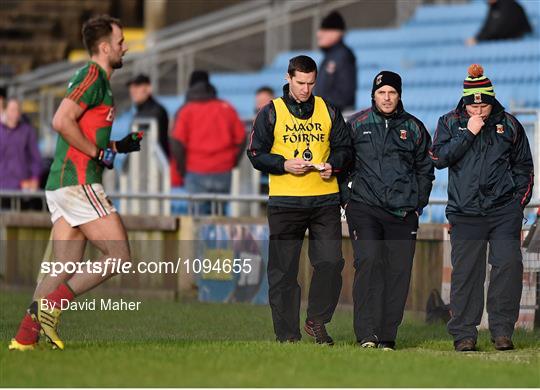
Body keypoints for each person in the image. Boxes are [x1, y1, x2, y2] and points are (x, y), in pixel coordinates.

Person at [8, 15, 143, 351]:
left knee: (63, 267)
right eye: (120, 41)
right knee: (119, 255)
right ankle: (52, 307)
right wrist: (99, 153)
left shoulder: (99, 81)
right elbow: (60, 120)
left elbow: (78, 136)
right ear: (104, 47)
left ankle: (24, 338)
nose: (124, 46)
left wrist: (117, 147)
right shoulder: (92, 75)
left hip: (65, 184)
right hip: (79, 184)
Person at [247, 55, 351, 345]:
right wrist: (283, 164)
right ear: (288, 78)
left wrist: (334, 164)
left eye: (311, 83)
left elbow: (345, 147)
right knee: (283, 272)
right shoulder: (271, 112)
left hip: (324, 201)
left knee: (331, 263)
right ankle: (287, 336)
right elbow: (255, 154)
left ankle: (317, 320)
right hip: (285, 203)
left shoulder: (328, 110)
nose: (306, 89)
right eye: (300, 82)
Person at [430, 64, 533, 352]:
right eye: (473, 106)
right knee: (465, 274)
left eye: (484, 105)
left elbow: (525, 167)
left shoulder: (509, 124)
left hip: (503, 212)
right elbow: (437, 158)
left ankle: (502, 331)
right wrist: (469, 133)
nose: (479, 111)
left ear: (491, 99)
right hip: (465, 213)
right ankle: (464, 334)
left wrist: (517, 204)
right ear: (465, 102)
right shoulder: (450, 122)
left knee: (509, 266)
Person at [341, 71, 434, 350]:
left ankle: (387, 336)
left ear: (399, 95)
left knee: (398, 272)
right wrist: (347, 200)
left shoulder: (414, 128)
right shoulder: (356, 124)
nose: (387, 97)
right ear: (373, 95)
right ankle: (366, 333)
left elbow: (425, 171)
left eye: (392, 92)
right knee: (368, 262)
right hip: (364, 208)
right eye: (382, 92)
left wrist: (417, 204)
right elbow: (342, 163)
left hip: (402, 213)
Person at [170, 70, 246, 215]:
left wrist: (182, 168)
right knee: (220, 217)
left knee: (198, 219)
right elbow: (242, 138)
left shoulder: (186, 110)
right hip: (223, 171)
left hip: (196, 170)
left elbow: (176, 142)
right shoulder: (226, 107)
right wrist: (233, 162)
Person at [313, 11, 356, 112]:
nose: (319, 34)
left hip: (338, 116)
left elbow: (345, 93)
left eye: (324, 30)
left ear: (337, 33)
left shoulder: (342, 56)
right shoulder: (331, 56)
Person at [0, 98, 43, 193]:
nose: (15, 113)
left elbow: (36, 158)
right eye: (12, 110)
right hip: (2, 186)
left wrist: (35, 178)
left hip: (21, 187)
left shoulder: (27, 131)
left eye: (17, 110)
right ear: (6, 110)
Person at [127, 73, 170, 157]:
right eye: (131, 87)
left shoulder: (155, 112)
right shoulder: (139, 112)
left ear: (149, 88)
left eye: (137, 86)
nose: (133, 90)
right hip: (144, 163)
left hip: (152, 165)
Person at [466, 0, 532, 46]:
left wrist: (479, 39)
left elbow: (499, 27)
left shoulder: (508, 5)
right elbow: (488, 25)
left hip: (519, 38)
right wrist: (477, 38)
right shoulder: (494, 7)